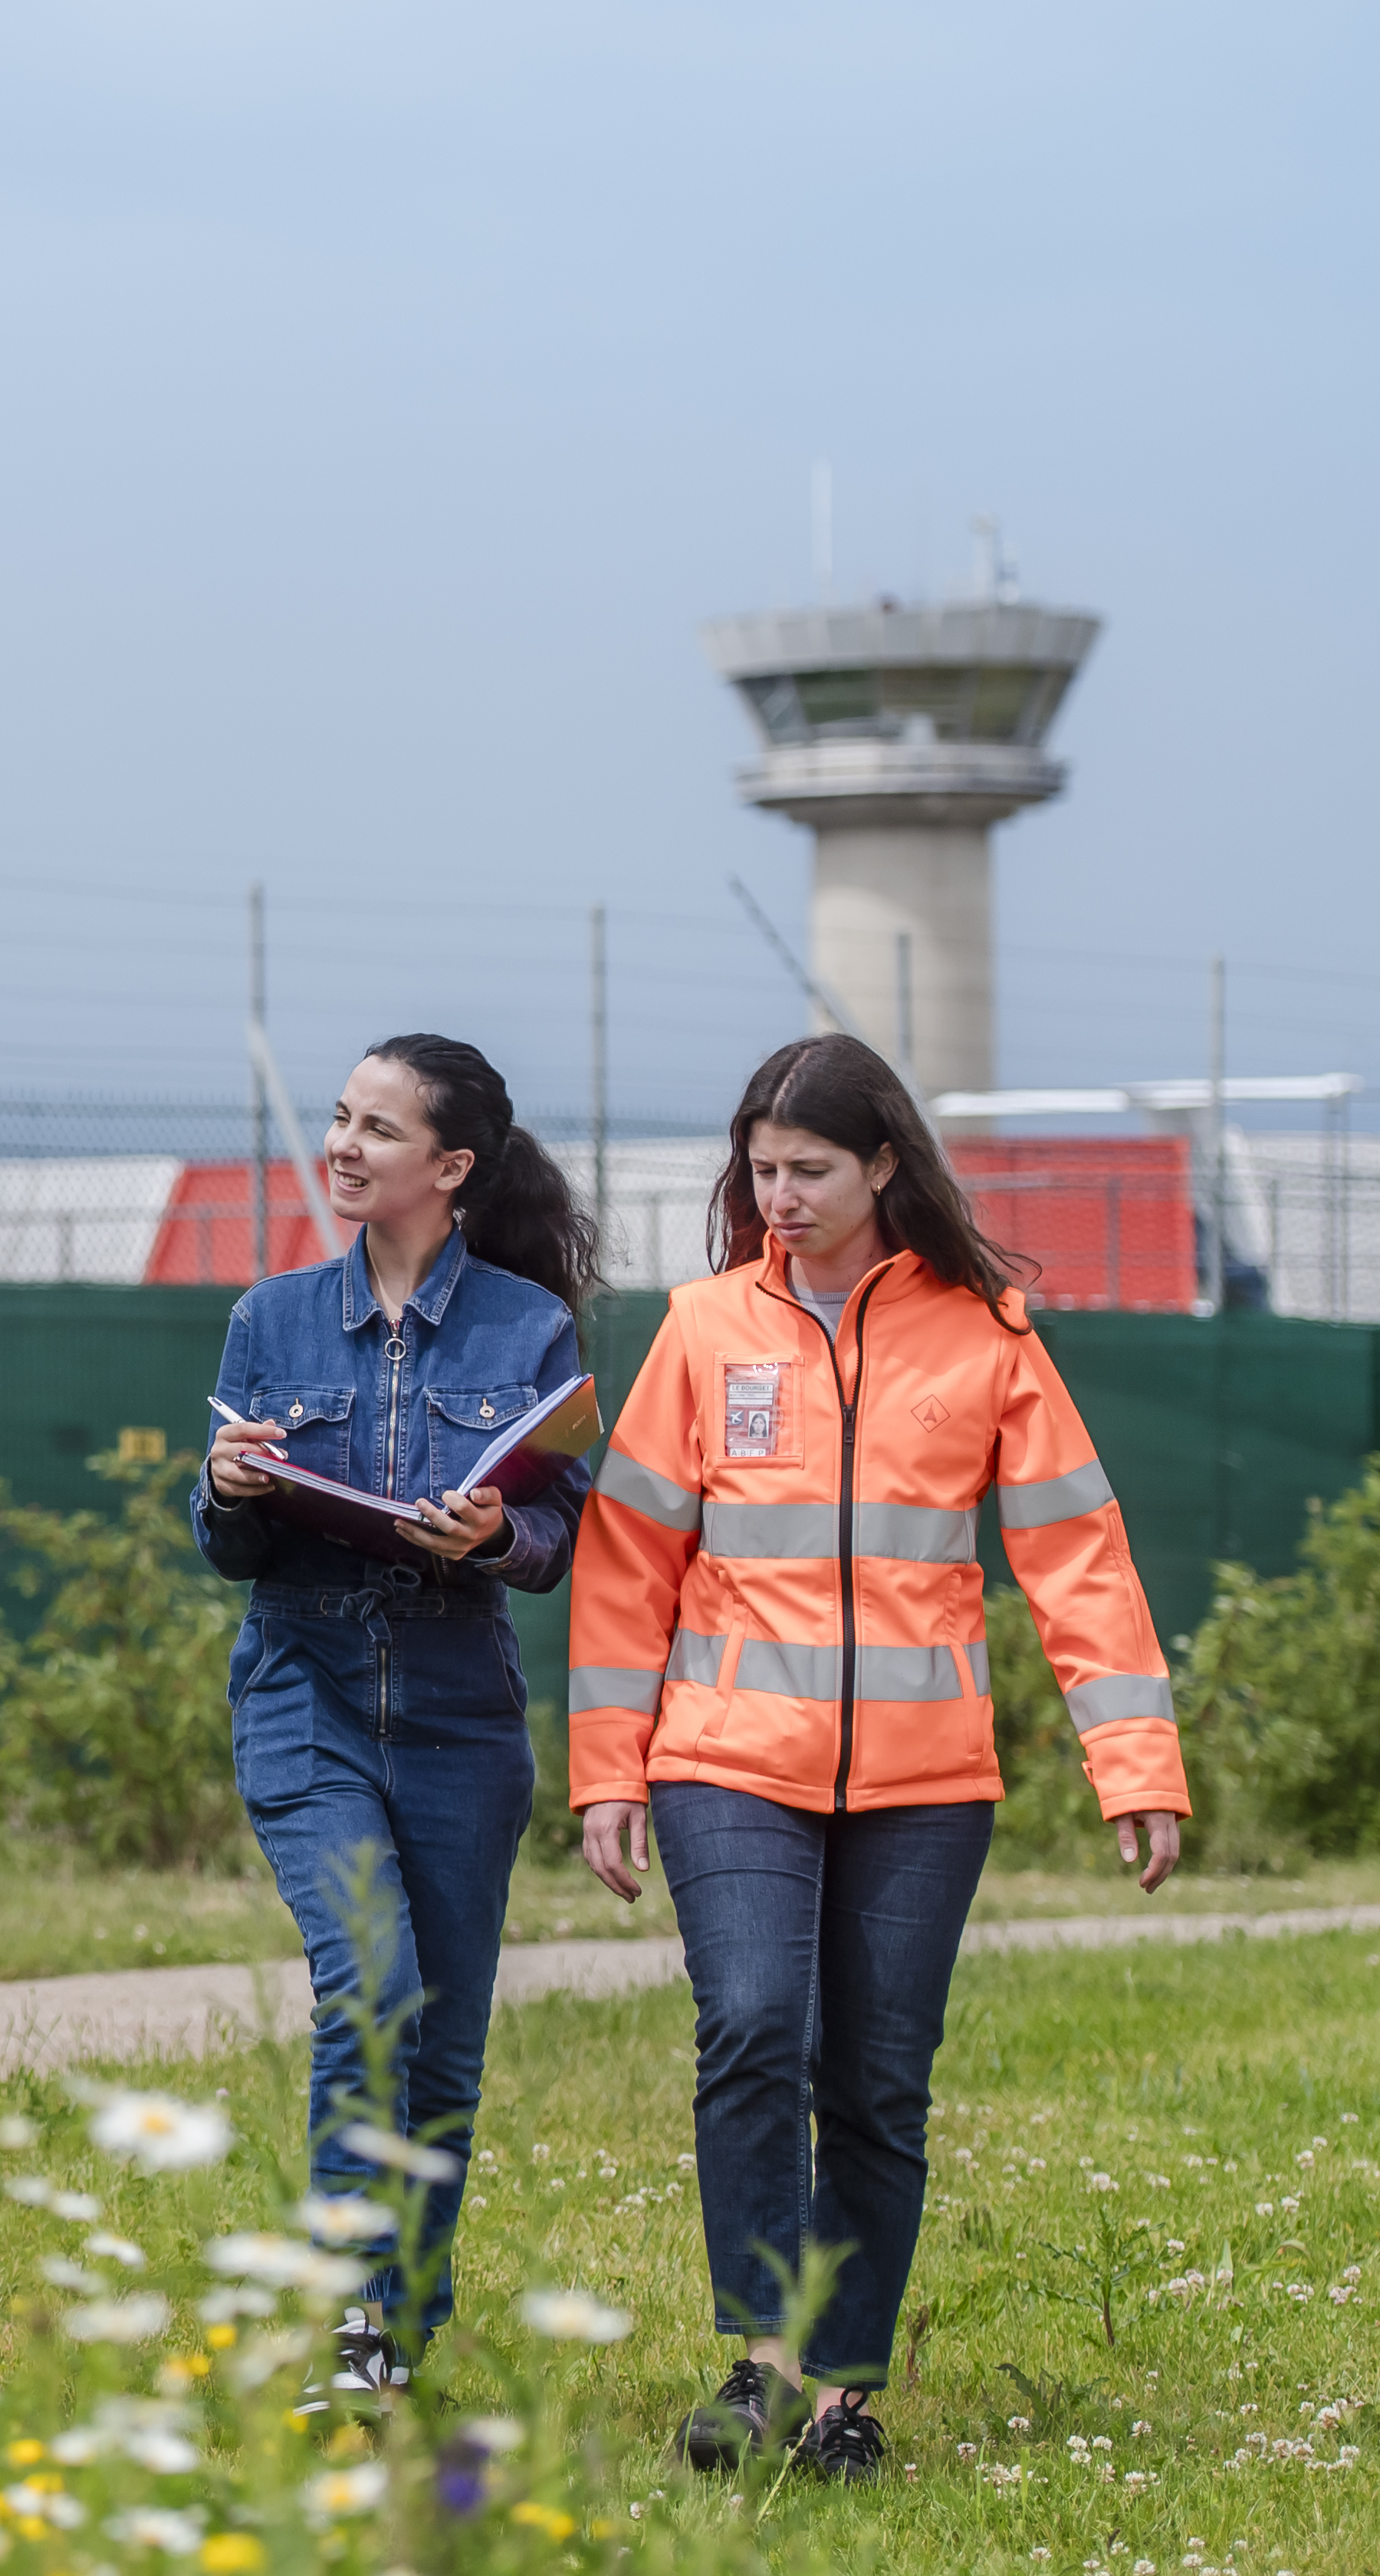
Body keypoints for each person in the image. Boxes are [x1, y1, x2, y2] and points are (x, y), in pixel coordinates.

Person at [567, 1031, 1186, 2484]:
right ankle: (764, 2362)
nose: (775, 1195)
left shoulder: (989, 1334)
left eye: (808, 1169)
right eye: (760, 1169)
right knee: (756, 2025)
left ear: (884, 1166)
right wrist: (608, 1766)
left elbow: (1079, 1561)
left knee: (879, 2084)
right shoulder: (705, 1331)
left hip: (926, 1788)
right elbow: (625, 1564)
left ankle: (846, 2396)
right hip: (726, 1762)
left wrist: (1137, 1763)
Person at [196, 1035, 597, 2410]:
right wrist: (230, 1490)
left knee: (444, 2041)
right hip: (304, 1699)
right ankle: (352, 2318)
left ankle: (402, 2327)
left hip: (458, 1717)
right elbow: (227, 1547)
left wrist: (494, 1532)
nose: (345, 1146)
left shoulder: (528, 1330)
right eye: (341, 1118)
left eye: (379, 1128)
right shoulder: (272, 1319)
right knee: (369, 1989)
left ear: (452, 1166)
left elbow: (558, 1528)